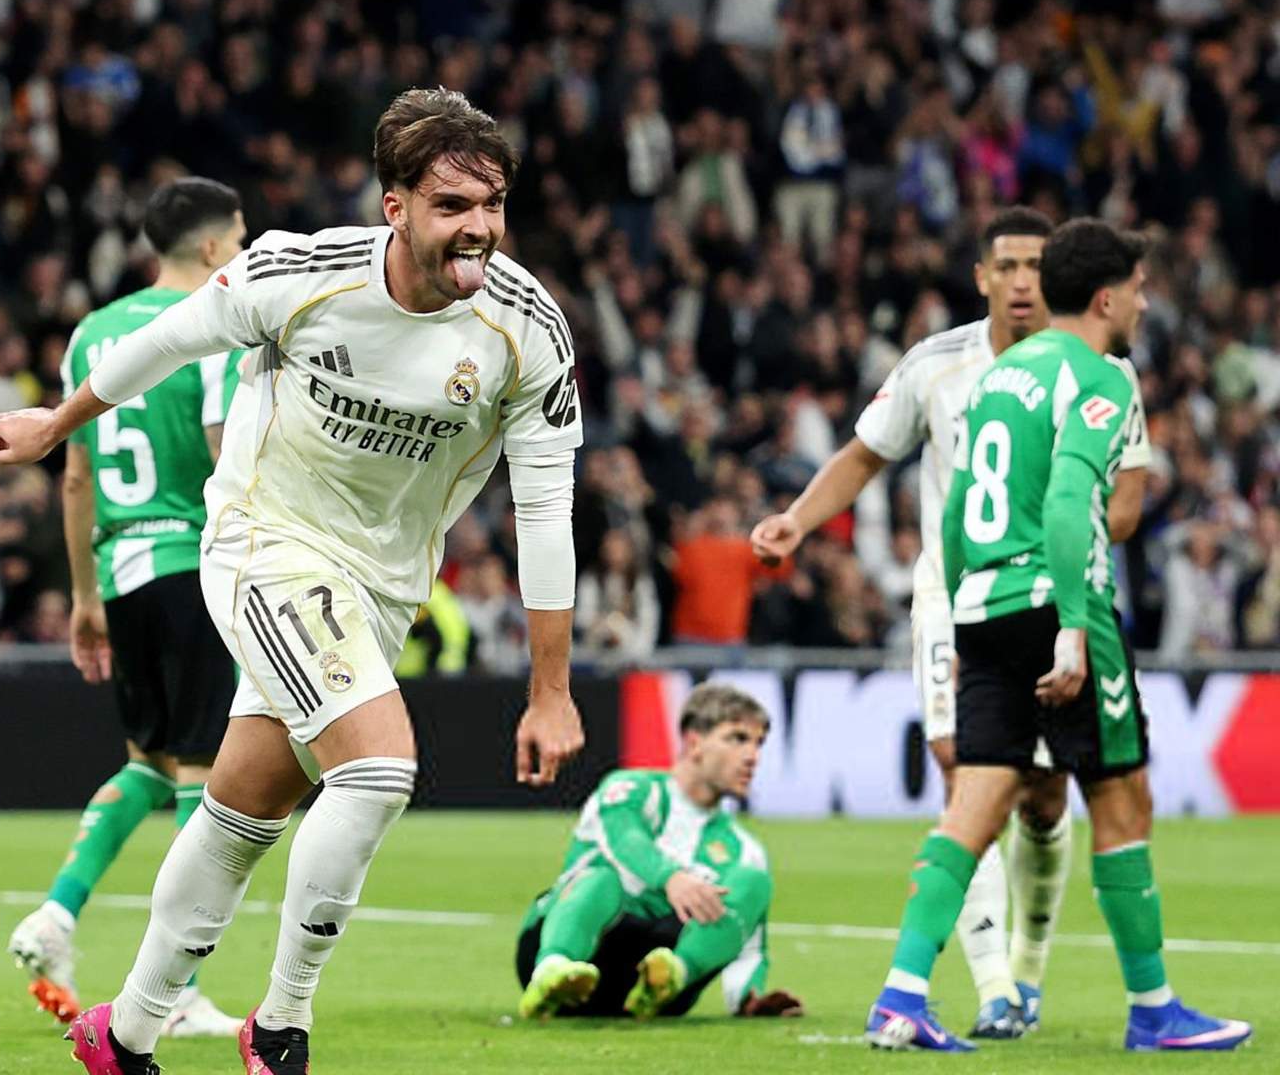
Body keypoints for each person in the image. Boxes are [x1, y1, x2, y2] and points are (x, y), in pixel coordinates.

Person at [0, 87, 587, 1075]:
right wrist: (56, 422)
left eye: (491, 205)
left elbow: (544, 509)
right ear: (393, 207)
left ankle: (123, 1034)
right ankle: (279, 1025)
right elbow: (168, 340)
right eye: (450, 206)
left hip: (383, 585)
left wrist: (550, 687)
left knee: (242, 810)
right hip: (264, 543)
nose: (476, 227)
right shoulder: (297, 272)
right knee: (378, 767)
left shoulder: (527, 331)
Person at [749, 207, 1150, 1039]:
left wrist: (1043, 533)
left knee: (1041, 799)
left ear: (1061, 278)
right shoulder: (939, 364)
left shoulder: (1098, 368)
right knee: (964, 775)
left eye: (1036, 265)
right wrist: (797, 518)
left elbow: (1124, 504)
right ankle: (996, 984)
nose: (1021, 281)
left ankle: (1018, 974)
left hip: (1012, 591)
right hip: (962, 599)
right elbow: (866, 452)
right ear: (981, 278)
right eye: (1005, 266)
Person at [864, 218, 1252, 1053]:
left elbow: (965, 495)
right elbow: (1076, 503)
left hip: (983, 603)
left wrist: (969, 603)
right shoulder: (1102, 377)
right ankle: (1154, 1011)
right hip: (1059, 601)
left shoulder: (1005, 375)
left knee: (973, 805)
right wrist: (1075, 628)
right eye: (1141, 291)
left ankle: (900, 996)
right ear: (1107, 296)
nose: (1146, 307)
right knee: (1121, 796)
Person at [7, 177, 246, 1039]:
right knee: (202, 778)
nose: (247, 252)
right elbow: (228, 462)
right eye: (243, 237)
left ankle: (57, 914)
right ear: (216, 248)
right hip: (192, 564)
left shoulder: (91, 332)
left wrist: (82, 596)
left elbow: (73, 474)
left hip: (120, 570)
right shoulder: (219, 325)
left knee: (148, 763)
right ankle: (175, 989)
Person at [515, 683, 802, 1022]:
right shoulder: (633, 790)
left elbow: (748, 939)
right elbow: (625, 841)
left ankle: (670, 979)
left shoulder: (744, 849)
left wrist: (750, 999)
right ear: (694, 742)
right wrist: (672, 878)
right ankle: (553, 970)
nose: (752, 756)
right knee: (600, 879)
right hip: (581, 945)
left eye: (759, 743)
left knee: (753, 882)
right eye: (737, 739)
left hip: (652, 972)